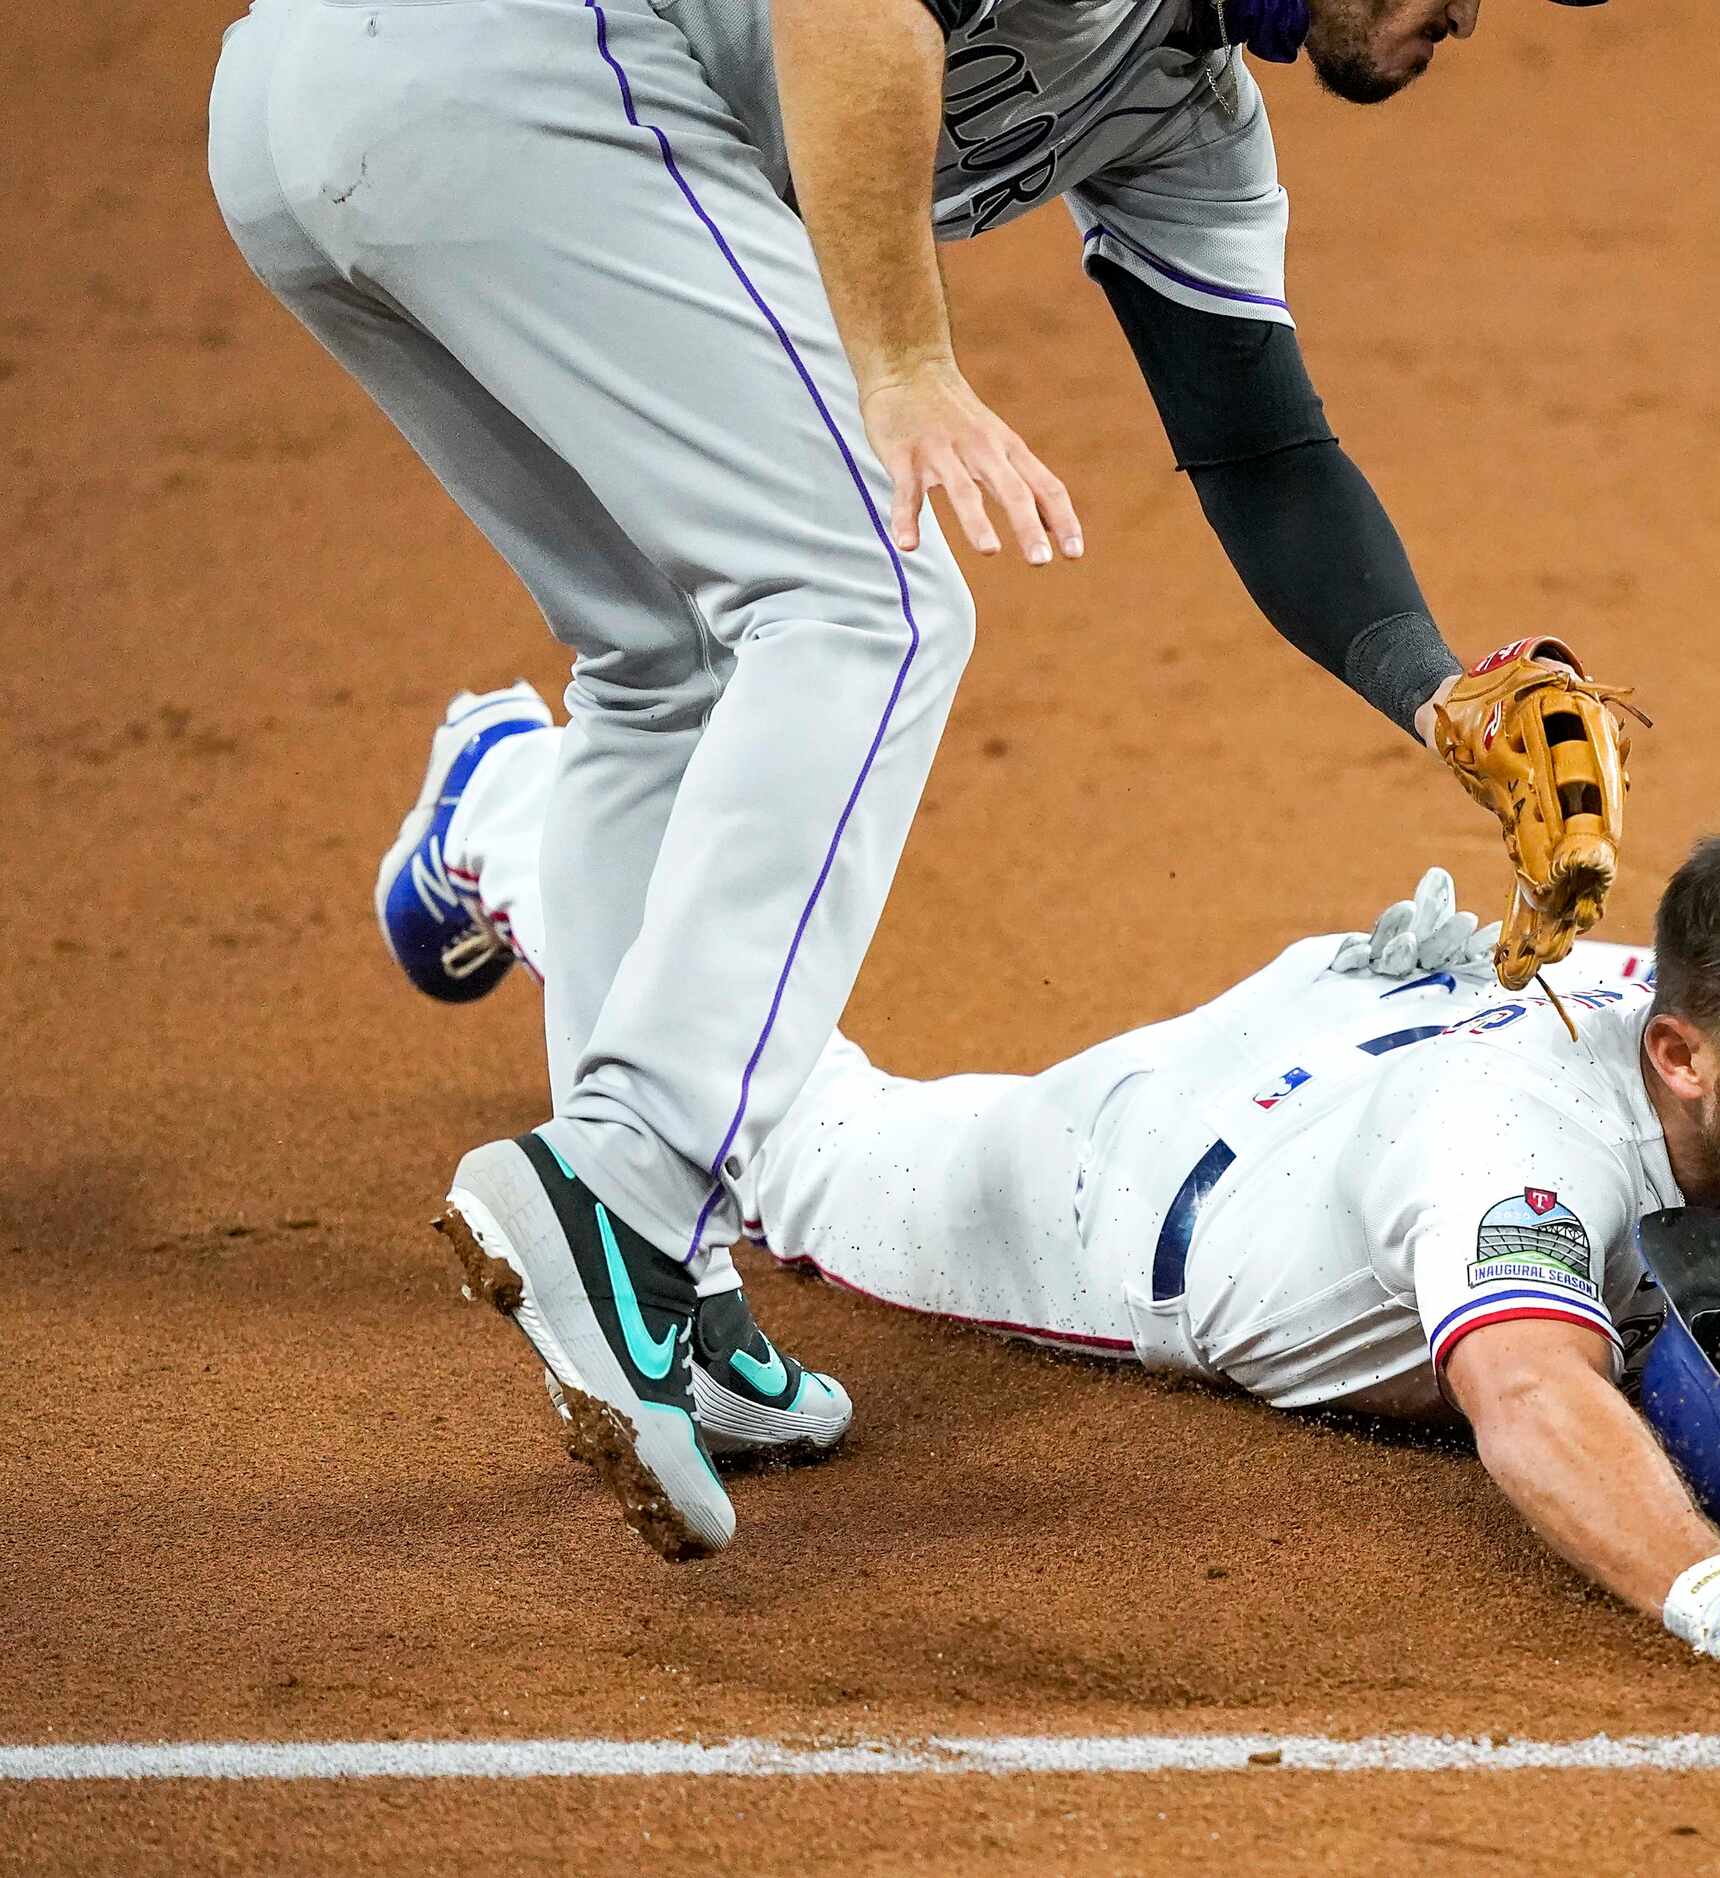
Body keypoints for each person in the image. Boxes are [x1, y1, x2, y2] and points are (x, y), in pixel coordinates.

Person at [211, 0, 1634, 1559]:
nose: (1472, 14)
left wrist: (1438, 695)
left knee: (661, 659)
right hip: (492, 71)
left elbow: (1258, 450)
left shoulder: (1185, 112)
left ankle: (660, 1275)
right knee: (869, 604)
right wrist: (902, 364)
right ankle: (623, 1182)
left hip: (331, 116)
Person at [403, 696, 1720, 1662]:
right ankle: (512, 801)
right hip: (1146, 1185)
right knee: (785, 1136)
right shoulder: (1525, 1134)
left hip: (1381, 1005)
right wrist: (1716, 1587)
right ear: (1680, 1055)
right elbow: (1528, 1393)